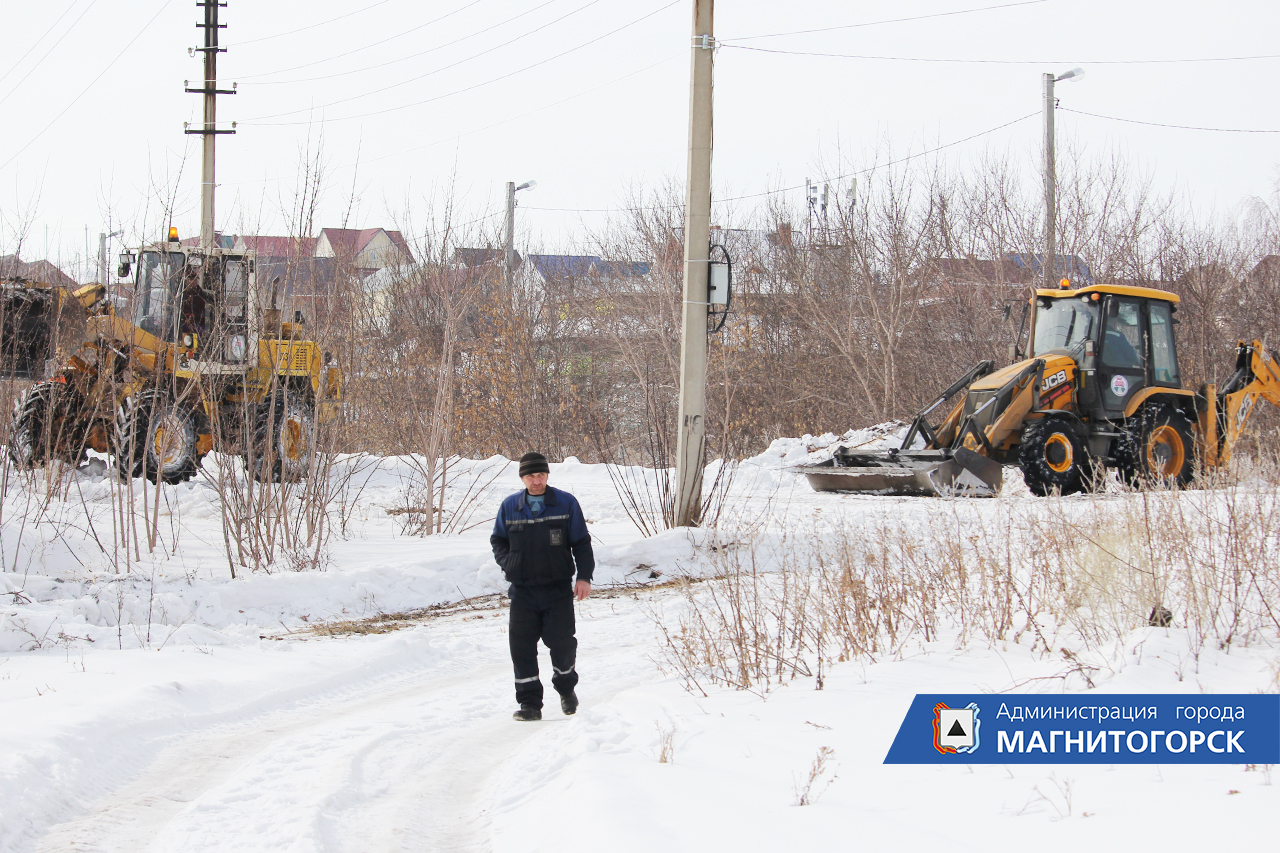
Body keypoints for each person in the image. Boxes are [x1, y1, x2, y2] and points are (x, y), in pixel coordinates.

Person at [491, 452, 594, 722]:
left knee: (562, 643)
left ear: (547, 475)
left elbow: (581, 543)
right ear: (522, 478)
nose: (536, 481)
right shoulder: (510, 506)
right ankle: (529, 704)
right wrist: (509, 563)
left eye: (540, 475)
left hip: (557, 589)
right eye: (530, 476)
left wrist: (584, 576)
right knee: (521, 647)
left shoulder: (565, 503)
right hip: (523, 591)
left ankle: (566, 688)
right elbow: (498, 541)